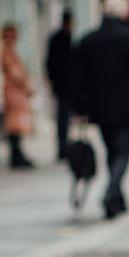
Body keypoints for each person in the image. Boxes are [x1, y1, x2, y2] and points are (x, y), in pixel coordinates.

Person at [73, 0, 129, 219]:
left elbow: (77, 78)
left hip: (98, 105)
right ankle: (111, 192)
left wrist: (79, 107)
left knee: (111, 150)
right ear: (123, 12)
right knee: (123, 152)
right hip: (126, 105)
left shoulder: (88, 40)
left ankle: (117, 197)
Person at [0, 24, 35, 169]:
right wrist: (26, 87)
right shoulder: (7, 53)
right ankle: (16, 156)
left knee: (16, 127)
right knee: (15, 125)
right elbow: (15, 74)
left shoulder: (10, 52)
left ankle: (18, 155)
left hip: (16, 92)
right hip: (14, 93)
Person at [46, 10, 74, 159]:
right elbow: (52, 62)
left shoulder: (62, 38)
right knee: (63, 117)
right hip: (63, 85)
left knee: (64, 117)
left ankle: (64, 146)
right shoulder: (61, 39)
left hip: (62, 84)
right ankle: (63, 147)